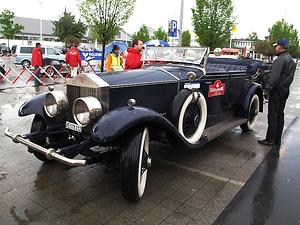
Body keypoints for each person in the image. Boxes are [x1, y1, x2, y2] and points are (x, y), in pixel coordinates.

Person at [258, 38, 296, 146]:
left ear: (280, 47)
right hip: (285, 90)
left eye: (276, 46)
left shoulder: (280, 60)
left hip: (277, 91)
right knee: (280, 115)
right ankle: (277, 139)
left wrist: (267, 90)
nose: (275, 47)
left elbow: (274, 78)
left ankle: (270, 139)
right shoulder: (291, 60)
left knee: (273, 115)